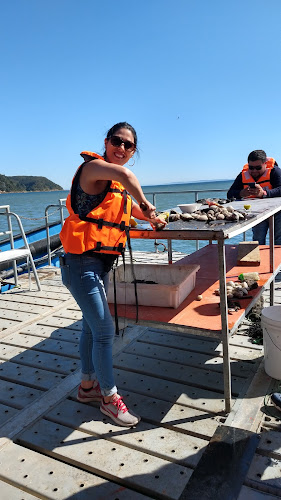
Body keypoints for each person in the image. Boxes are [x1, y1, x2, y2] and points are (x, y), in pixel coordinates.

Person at [59, 122, 166, 427]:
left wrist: (157, 217)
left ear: (133, 151)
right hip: (81, 265)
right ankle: (109, 399)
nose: (121, 148)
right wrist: (146, 202)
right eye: (117, 141)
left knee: (92, 329)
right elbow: (128, 177)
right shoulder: (94, 168)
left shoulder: (116, 187)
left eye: (128, 145)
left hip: (99, 264)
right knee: (105, 331)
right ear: (106, 142)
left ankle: (88, 387)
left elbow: (137, 212)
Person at [227, 150, 281, 244]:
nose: (254, 171)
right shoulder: (243, 175)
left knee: (279, 240)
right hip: (258, 211)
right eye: (251, 168)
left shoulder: (274, 171)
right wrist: (241, 193)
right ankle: (259, 258)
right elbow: (230, 193)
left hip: (277, 212)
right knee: (258, 240)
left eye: (258, 167)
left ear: (265, 164)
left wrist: (264, 193)